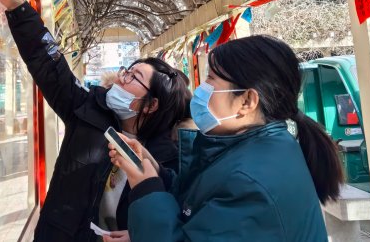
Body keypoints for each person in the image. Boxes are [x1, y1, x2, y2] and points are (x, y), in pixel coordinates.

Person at [0, 0, 190, 242]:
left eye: (134, 77)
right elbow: (50, 65)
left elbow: (181, 220)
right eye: (127, 70)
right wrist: (18, 9)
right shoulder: (89, 110)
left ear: (151, 105)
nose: (122, 78)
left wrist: (141, 236)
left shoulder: (166, 159)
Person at [109, 35, 344, 242]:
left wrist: (147, 190)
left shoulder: (250, 183)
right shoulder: (252, 149)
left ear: (247, 101)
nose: (200, 91)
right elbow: (201, 205)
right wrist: (158, 173)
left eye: (211, 80)